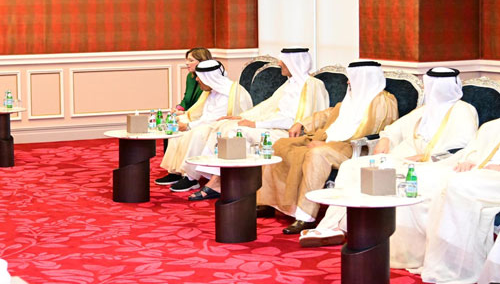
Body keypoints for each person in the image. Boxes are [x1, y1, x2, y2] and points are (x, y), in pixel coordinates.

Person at [300, 67, 478, 247]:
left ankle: (369, 229)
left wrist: (424, 156)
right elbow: (396, 128)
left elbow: (461, 148)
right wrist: (385, 139)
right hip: (405, 157)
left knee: (394, 175)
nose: (427, 88)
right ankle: (332, 226)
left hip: (435, 164)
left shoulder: (463, 111)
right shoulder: (425, 109)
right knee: (352, 167)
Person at [261, 61, 398, 234]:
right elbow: (330, 113)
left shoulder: (383, 102)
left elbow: (373, 130)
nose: (348, 82)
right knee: (281, 145)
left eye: (352, 78)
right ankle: (271, 203)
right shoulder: (352, 97)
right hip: (328, 141)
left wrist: (328, 144)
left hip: (352, 147)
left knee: (317, 154)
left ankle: (305, 216)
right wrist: (301, 123)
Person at [186, 48, 329, 201]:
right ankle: (223, 180)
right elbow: (267, 107)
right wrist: (241, 117)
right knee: (227, 125)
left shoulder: (313, 85)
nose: (279, 64)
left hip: (289, 133)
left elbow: (296, 121)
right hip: (273, 126)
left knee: (236, 133)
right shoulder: (290, 84)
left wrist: (256, 124)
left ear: (294, 63)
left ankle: (221, 183)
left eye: (283, 61)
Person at [399, 117, 500, 283]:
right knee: (428, 177)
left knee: (458, 185)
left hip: (495, 179)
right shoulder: (491, 126)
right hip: (479, 171)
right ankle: (430, 256)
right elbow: (472, 152)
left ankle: (457, 265)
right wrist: (468, 161)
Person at [156, 59, 253, 192]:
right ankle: (176, 171)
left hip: (223, 127)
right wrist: (184, 121)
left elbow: (213, 119)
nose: (196, 79)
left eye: (199, 77)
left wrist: (189, 126)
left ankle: (191, 178)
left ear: (209, 78)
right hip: (208, 124)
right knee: (177, 131)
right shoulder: (212, 90)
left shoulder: (228, 94)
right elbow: (203, 114)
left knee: (196, 134)